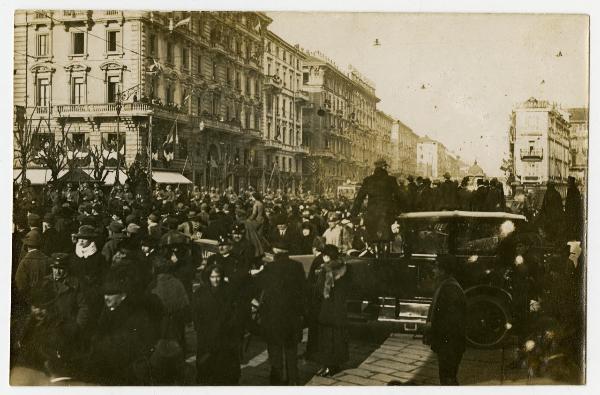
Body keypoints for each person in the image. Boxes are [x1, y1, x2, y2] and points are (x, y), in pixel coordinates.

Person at [252, 239, 306, 385]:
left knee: (275, 349)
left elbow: (257, 286)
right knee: (291, 350)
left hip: (273, 316)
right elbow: (303, 291)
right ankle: (293, 380)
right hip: (292, 317)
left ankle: (277, 380)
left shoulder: (270, 267)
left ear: (275, 251)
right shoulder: (298, 267)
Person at [192, 264, 241, 385]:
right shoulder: (200, 292)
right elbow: (195, 313)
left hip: (224, 333)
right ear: (208, 277)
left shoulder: (229, 290)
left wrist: (229, 326)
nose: (216, 280)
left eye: (218, 276)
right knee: (206, 362)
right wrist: (199, 328)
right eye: (212, 277)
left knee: (223, 365)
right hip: (206, 334)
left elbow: (235, 312)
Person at [423, 254, 467, 385]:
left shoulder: (450, 289)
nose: (434, 270)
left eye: (436, 267)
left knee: (448, 379)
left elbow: (450, 321)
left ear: (443, 270)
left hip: (450, 345)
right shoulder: (447, 285)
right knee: (447, 377)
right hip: (448, 344)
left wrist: (432, 329)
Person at [350, 159, 402, 254]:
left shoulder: (368, 180)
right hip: (387, 215)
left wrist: (353, 214)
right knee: (387, 239)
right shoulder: (391, 180)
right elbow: (400, 197)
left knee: (373, 239)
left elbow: (359, 198)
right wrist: (400, 211)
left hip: (372, 216)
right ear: (384, 167)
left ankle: (375, 253)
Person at [315, 245, 351, 377]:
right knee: (338, 337)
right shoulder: (345, 268)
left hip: (327, 309)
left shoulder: (326, 270)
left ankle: (327, 366)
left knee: (326, 338)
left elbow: (319, 290)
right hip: (340, 309)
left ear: (327, 256)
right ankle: (335, 365)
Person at [15, 230, 50, 303]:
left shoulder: (24, 262)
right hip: (46, 298)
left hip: (30, 300)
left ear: (26, 245)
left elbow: (20, 283)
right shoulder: (48, 260)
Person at [564, 176, 583, 241]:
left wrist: (567, 211)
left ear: (571, 182)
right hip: (572, 213)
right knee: (572, 228)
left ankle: (571, 243)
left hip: (571, 214)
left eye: (568, 182)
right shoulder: (575, 190)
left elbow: (571, 203)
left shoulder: (571, 190)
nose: (567, 183)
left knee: (571, 228)